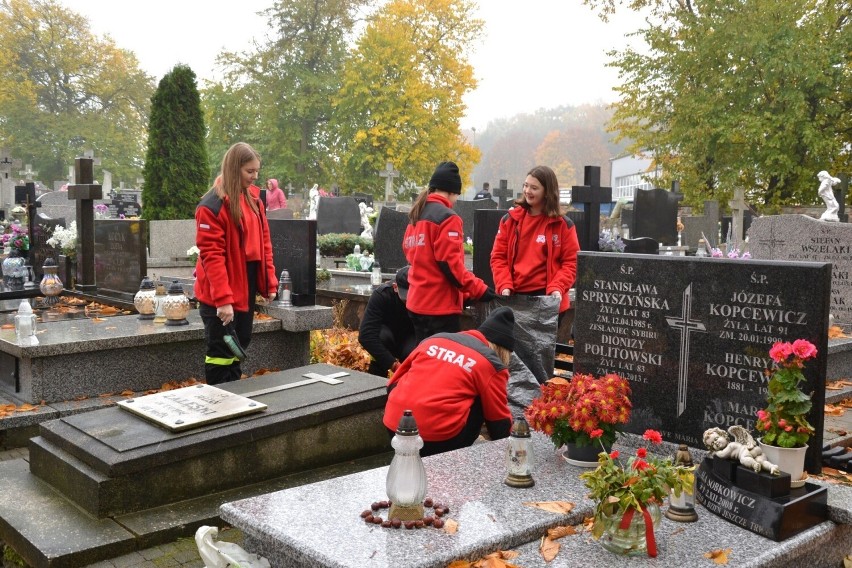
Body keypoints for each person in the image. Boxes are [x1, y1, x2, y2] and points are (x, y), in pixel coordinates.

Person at [194, 142, 278, 385]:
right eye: (249, 171)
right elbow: (212, 256)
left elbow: (265, 244)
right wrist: (223, 300)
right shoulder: (212, 205)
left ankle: (233, 401)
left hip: (245, 286)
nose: (255, 177)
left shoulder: (254, 200)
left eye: (257, 171)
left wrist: (269, 282)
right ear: (234, 168)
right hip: (221, 292)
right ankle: (218, 404)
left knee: (238, 346)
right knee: (221, 351)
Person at [383, 306, 516, 457]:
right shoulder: (490, 363)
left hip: (395, 426)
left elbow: (392, 385)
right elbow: (498, 422)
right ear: (502, 352)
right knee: (482, 396)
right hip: (438, 440)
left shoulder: (434, 340)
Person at [404, 161, 497, 342]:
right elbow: (451, 266)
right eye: (457, 195)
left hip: (416, 303)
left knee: (425, 359)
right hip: (439, 308)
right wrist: (479, 289)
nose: (455, 201)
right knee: (442, 364)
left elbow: (411, 254)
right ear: (452, 191)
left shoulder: (417, 215)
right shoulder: (448, 218)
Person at [490, 165, 580, 318]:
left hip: (548, 300)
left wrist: (557, 288)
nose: (527, 191)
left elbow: (571, 262)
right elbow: (498, 257)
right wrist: (504, 284)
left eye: (534, 188)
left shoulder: (563, 225)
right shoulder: (509, 220)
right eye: (525, 185)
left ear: (547, 192)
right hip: (515, 298)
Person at [358, 266, 417, 378]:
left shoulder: (426, 297)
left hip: (411, 339)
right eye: (405, 298)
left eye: (413, 296)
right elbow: (366, 335)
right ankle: (376, 377)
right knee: (382, 336)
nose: (409, 302)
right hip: (387, 339)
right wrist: (393, 364)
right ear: (395, 287)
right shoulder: (381, 295)